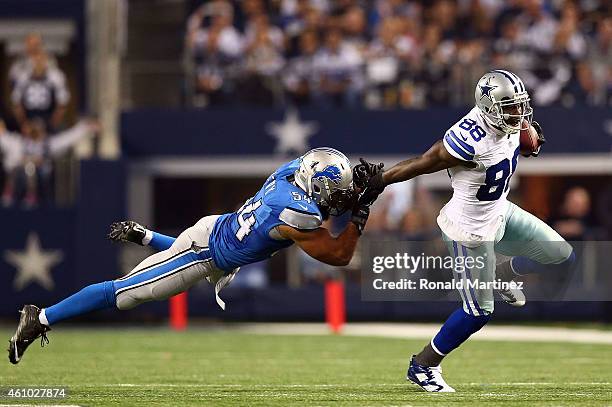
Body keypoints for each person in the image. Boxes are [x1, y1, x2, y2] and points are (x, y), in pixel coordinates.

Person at [8, 147, 371, 364]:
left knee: (184, 263)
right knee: (124, 293)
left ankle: (144, 236)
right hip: (208, 250)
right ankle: (39, 317)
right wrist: (362, 208)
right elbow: (339, 254)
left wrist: (145, 236)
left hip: (213, 234)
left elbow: (190, 252)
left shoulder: (290, 173)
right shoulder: (296, 213)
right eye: (332, 192)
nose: (335, 199)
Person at [355, 70, 575, 392]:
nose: (519, 114)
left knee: (561, 255)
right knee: (478, 311)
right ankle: (423, 365)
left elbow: (518, 143)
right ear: (488, 108)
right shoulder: (469, 138)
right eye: (511, 108)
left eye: (520, 106)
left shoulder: (510, 121)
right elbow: (423, 161)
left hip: (500, 210)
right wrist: (382, 179)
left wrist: (528, 141)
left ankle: (503, 270)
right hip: (469, 229)